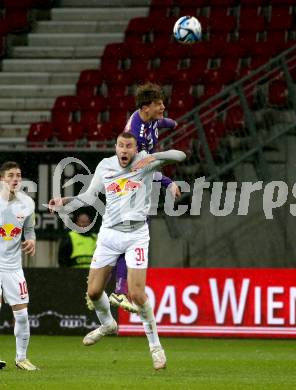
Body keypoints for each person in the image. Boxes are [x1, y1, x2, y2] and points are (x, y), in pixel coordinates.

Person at [49, 132, 186, 369]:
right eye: (120, 146)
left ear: (135, 148)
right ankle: (108, 324)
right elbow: (90, 197)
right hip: (109, 234)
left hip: (136, 235)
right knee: (93, 292)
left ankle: (155, 346)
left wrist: (154, 156)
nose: (124, 150)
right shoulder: (106, 166)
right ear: (116, 147)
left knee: (137, 294)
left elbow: (180, 155)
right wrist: (64, 201)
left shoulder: (145, 161)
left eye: (129, 146)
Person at [108, 82, 181, 313]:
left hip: (138, 188)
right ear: (146, 107)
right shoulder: (135, 138)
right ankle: (118, 291)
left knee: (136, 235)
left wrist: (169, 123)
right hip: (129, 188)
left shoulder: (148, 118)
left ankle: (116, 289)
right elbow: (143, 169)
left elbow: (161, 122)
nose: (163, 106)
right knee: (131, 237)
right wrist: (168, 183)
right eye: (159, 104)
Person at [0, 161, 38, 371]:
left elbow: (30, 231)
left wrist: (31, 240)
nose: (15, 179)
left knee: (22, 316)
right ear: (2, 180)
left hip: (14, 268)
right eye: (11, 175)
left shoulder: (27, 205)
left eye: (18, 175)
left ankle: (21, 358)